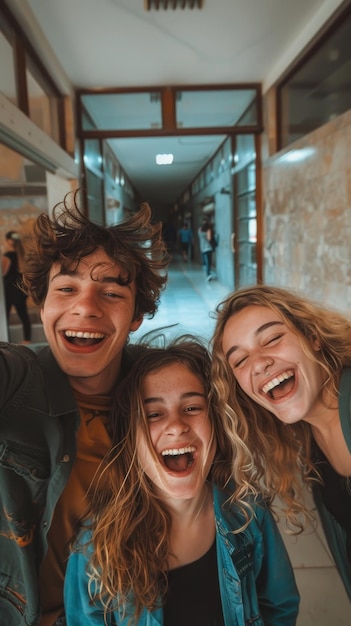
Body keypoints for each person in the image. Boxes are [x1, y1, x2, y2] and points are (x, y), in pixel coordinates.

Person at [0, 190, 170, 626]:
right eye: (67, 288)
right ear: (42, 302)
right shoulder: (17, 379)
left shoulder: (159, 392)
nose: (85, 308)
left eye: (111, 293)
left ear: (135, 316)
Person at [64, 338, 300, 625]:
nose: (176, 426)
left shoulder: (249, 515)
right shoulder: (94, 548)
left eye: (191, 408)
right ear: (131, 439)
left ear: (216, 423)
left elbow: (280, 607)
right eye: (153, 414)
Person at [211, 284, 351, 601]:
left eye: (272, 339)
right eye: (241, 360)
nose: (259, 363)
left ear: (313, 336)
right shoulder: (309, 438)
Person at [1, 229, 32, 343]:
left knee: (4, 318)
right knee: (24, 315)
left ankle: (4, 341)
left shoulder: (7, 255)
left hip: (8, 291)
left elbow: (3, 273)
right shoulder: (22, 255)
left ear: (8, 241)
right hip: (20, 290)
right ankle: (27, 340)